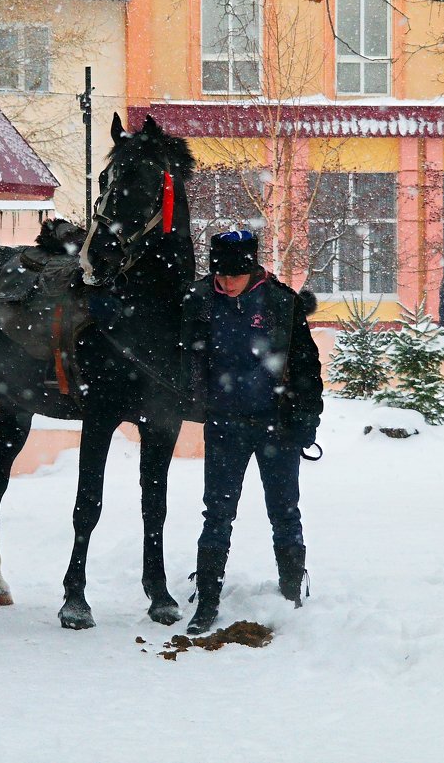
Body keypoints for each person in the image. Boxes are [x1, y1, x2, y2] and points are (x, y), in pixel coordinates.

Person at [181, 230, 323, 635]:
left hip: (276, 424)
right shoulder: (200, 300)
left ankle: (292, 591)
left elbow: (305, 365)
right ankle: (207, 598)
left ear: (251, 271)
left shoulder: (281, 302)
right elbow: (183, 355)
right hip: (224, 424)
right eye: (219, 275)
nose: (224, 283)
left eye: (232, 276)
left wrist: (307, 417)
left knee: (284, 509)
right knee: (217, 513)